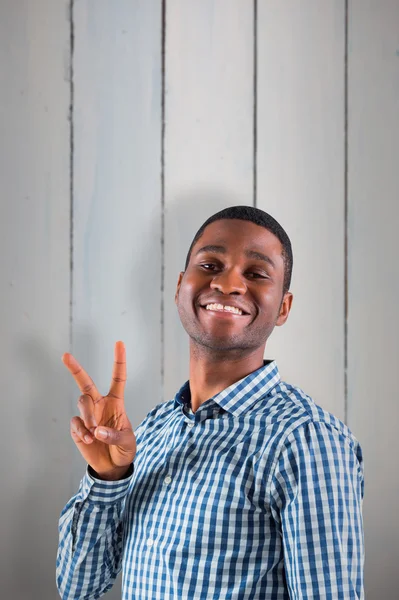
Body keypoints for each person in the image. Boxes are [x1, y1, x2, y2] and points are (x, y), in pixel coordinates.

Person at [56, 205, 365, 599]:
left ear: (283, 308)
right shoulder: (152, 430)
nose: (228, 283)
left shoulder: (307, 441)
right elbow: (78, 588)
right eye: (210, 264)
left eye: (255, 274)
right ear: (181, 286)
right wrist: (108, 479)